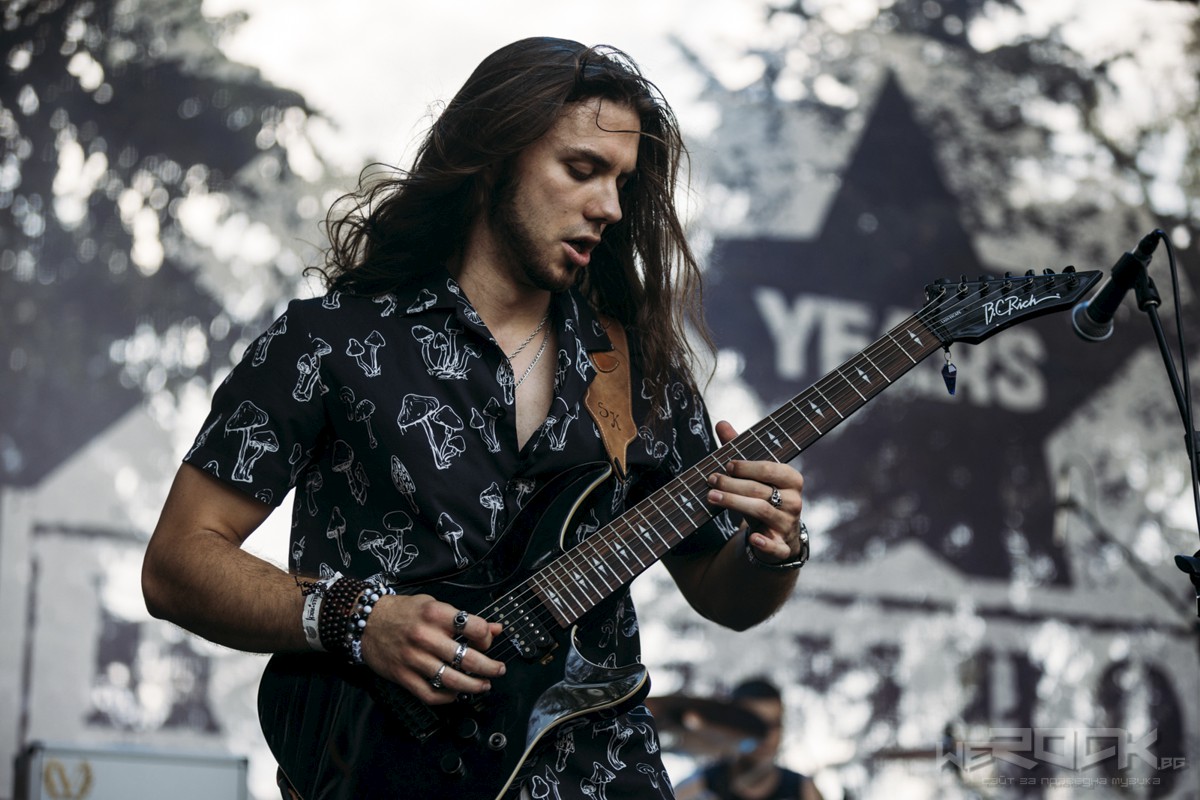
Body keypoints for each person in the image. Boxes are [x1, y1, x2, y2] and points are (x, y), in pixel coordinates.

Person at [142, 37, 809, 800]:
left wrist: (774, 550)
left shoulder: (640, 370)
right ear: (494, 157)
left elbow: (723, 595)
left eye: (622, 182)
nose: (609, 207)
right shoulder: (331, 342)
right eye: (581, 169)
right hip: (386, 775)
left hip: (600, 774)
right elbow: (177, 563)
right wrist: (355, 619)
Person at [676, 679, 824, 800]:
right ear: (732, 725)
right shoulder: (695, 790)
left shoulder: (804, 790)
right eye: (755, 725)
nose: (766, 735)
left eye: (775, 725)